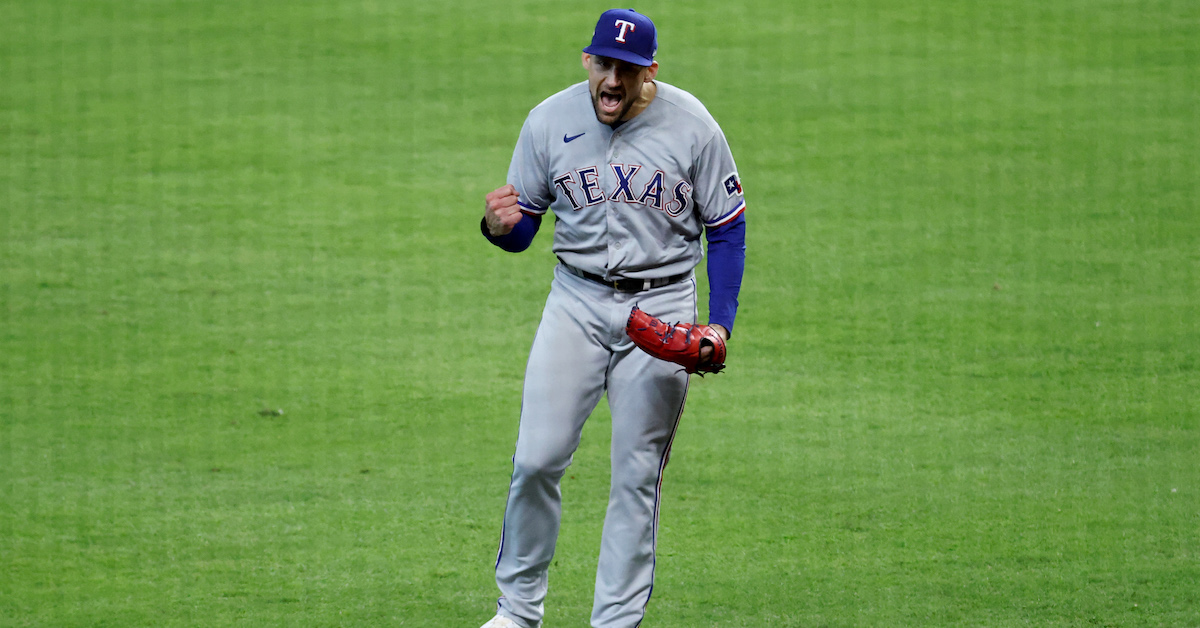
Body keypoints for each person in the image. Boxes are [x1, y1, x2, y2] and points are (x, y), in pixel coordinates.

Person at [478, 8, 746, 628]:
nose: (614, 81)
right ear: (587, 62)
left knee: (635, 478)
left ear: (649, 71)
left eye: (628, 70)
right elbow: (523, 228)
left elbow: (727, 230)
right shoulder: (549, 121)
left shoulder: (694, 127)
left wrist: (721, 323)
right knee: (535, 460)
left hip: (662, 305)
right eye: (604, 65)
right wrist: (498, 229)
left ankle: (615, 623)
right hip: (574, 302)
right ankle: (517, 612)